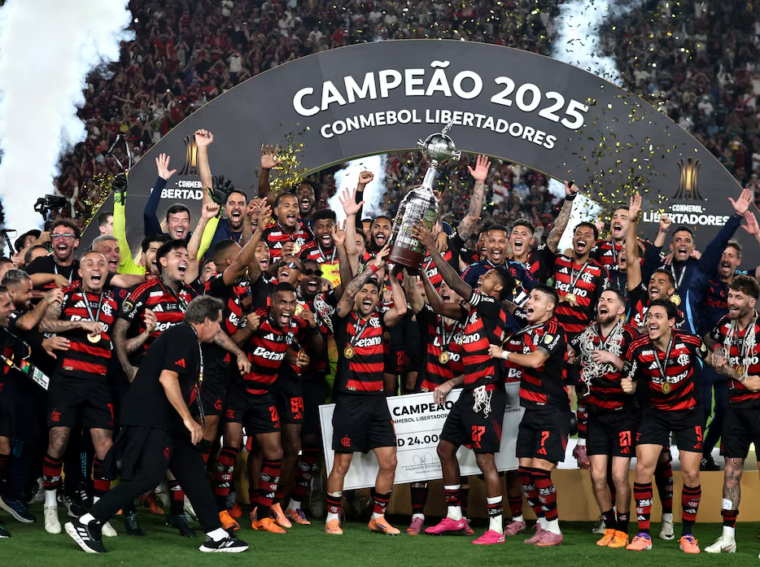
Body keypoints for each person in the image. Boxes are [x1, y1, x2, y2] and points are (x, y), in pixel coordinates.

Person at [65, 297, 249, 554]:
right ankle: (87, 522)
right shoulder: (183, 335)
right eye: (218, 324)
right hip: (152, 417)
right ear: (206, 321)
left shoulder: (189, 339)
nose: (220, 330)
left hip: (169, 420)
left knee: (193, 472)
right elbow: (167, 378)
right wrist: (188, 420)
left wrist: (186, 420)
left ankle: (216, 535)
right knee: (148, 476)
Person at [413, 222, 516, 545]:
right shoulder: (473, 312)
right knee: (445, 449)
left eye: (489, 276)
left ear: (497, 289)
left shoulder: (492, 306)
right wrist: (423, 274)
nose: (483, 275)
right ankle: (455, 517)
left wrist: (432, 248)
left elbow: (456, 283)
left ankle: (496, 529)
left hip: (487, 393)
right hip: (469, 391)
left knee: (485, 460)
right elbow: (439, 306)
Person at [623, 299, 726, 553]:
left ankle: (688, 536)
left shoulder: (690, 342)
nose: (651, 321)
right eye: (649, 316)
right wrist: (630, 386)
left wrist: (736, 373)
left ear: (671, 322)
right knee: (643, 468)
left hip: (688, 413)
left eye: (658, 316)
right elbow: (631, 378)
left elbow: (713, 361)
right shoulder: (637, 347)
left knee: (691, 474)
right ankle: (643, 534)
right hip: (654, 413)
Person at [324, 246, 407, 536]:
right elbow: (347, 293)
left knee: (390, 461)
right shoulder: (343, 318)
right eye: (364, 291)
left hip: (377, 401)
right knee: (342, 463)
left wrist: (392, 277)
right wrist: (372, 267)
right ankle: (332, 518)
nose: (368, 295)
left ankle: (378, 517)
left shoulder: (380, 319)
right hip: (349, 401)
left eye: (373, 291)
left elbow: (402, 310)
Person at [37, 251, 118, 536]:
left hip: (100, 381)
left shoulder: (113, 300)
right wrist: (79, 324)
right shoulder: (66, 295)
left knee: (105, 447)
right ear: (80, 272)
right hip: (67, 379)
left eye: (102, 264)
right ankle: (50, 505)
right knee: (58, 441)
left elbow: (118, 337)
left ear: (107, 271)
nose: (97, 267)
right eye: (90, 263)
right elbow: (45, 325)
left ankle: (98, 513)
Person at [488, 284, 571, 547]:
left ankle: (555, 530)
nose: (530, 302)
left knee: (540, 473)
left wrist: (502, 353)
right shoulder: (528, 327)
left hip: (552, 411)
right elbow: (512, 308)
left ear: (550, 306)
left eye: (536, 298)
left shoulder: (554, 330)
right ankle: (543, 525)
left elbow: (536, 360)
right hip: (531, 411)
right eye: (530, 298)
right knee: (525, 473)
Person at [569, 288, 638, 548]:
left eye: (609, 300)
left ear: (620, 310)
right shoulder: (587, 333)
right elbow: (571, 351)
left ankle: (623, 530)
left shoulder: (630, 335)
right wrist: (572, 358)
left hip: (623, 415)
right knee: (597, 477)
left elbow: (639, 369)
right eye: (600, 299)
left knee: (619, 477)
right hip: (596, 414)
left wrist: (613, 359)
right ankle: (609, 527)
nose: (602, 303)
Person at [703, 275, 760, 554]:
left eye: (738, 297)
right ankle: (728, 538)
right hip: (735, 408)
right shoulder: (724, 324)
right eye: (730, 296)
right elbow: (708, 338)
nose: (731, 301)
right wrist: (716, 350)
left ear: (751, 302)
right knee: (731, 472)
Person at [698, 240, 742, 471]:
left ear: (738, 261)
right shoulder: (706, 279)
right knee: (703, 410)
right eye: (722, 254)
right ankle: (694, 453)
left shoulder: (743, 283)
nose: (725, 259)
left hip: (731, 359)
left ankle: (705, 451)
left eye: (731, 255)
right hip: (705, 355)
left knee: (725, 411)